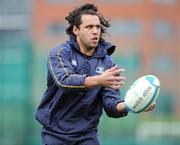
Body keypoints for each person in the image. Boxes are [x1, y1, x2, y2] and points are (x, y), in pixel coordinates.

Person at [35, 3, 156, 145]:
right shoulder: (60, 53)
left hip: (87, 136)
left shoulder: (107, 63)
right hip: (55, 135)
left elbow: (111, 103)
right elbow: (65, 81)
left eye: (98, 27)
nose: (95, 31)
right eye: (89, 27)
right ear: (76, 30)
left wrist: (132, 105)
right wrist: (99, 80)